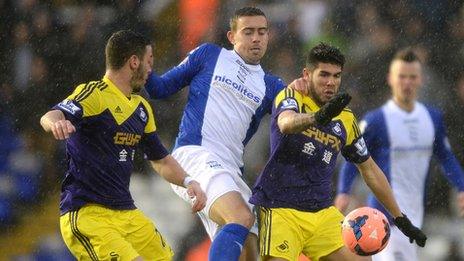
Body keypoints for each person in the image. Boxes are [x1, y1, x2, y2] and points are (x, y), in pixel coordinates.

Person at [249, 43, 427, 261]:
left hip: (322, 212)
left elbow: (369, 169)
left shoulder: (345, 117)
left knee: (363, 259)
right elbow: (286, 123)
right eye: (323, 75)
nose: (330, 82)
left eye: (336, 76)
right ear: (307, 74)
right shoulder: (292, 95)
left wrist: (400, 218)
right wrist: (318, 117)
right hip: (279, 210)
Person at [144, 6, 296, 261]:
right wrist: (145, 70)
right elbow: (161, 88)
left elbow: (289, 122)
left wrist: (304, 94)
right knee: (241, 217)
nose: (256, 38)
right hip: (195, 155)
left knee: (254, 248)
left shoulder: (273, 86)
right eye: (248, 32)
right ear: (231, 36)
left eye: (262, 32)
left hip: (230, 169)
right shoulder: (208, 56)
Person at [39, 30, 206, 261]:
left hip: (127, 213)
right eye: (149, 61)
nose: (151, 70)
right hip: (88, 214)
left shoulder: (141, 108)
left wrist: (188, 181)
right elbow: (51, 115)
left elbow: (160, 159)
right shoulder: (94, 94)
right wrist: (56, 124)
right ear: (134, 62)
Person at [335, 48, 464, 261]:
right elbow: (352, 157)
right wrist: (343, 191)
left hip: (416, 217)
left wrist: (461, 187)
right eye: (401, 76)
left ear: (420, 80)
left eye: (412, 77)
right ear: (390, 79)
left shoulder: (432, 118)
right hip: (383, 220)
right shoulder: (376, 120)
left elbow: (445, 156)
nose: (407, 82)